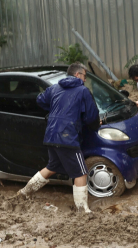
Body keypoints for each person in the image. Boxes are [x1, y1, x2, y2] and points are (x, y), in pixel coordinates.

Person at [16, 63, 100, 213]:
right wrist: (95, 125)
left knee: (52, 167)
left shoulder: (54, 88)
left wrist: (56, 110)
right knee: (81, 172)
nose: (85, 80)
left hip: (51, 134)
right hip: (67, 137)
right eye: (85, 76)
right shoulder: (82, 91)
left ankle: (23, 193)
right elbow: (91, 116)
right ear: (77, 75)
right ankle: (82, 210)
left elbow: (40, 99)